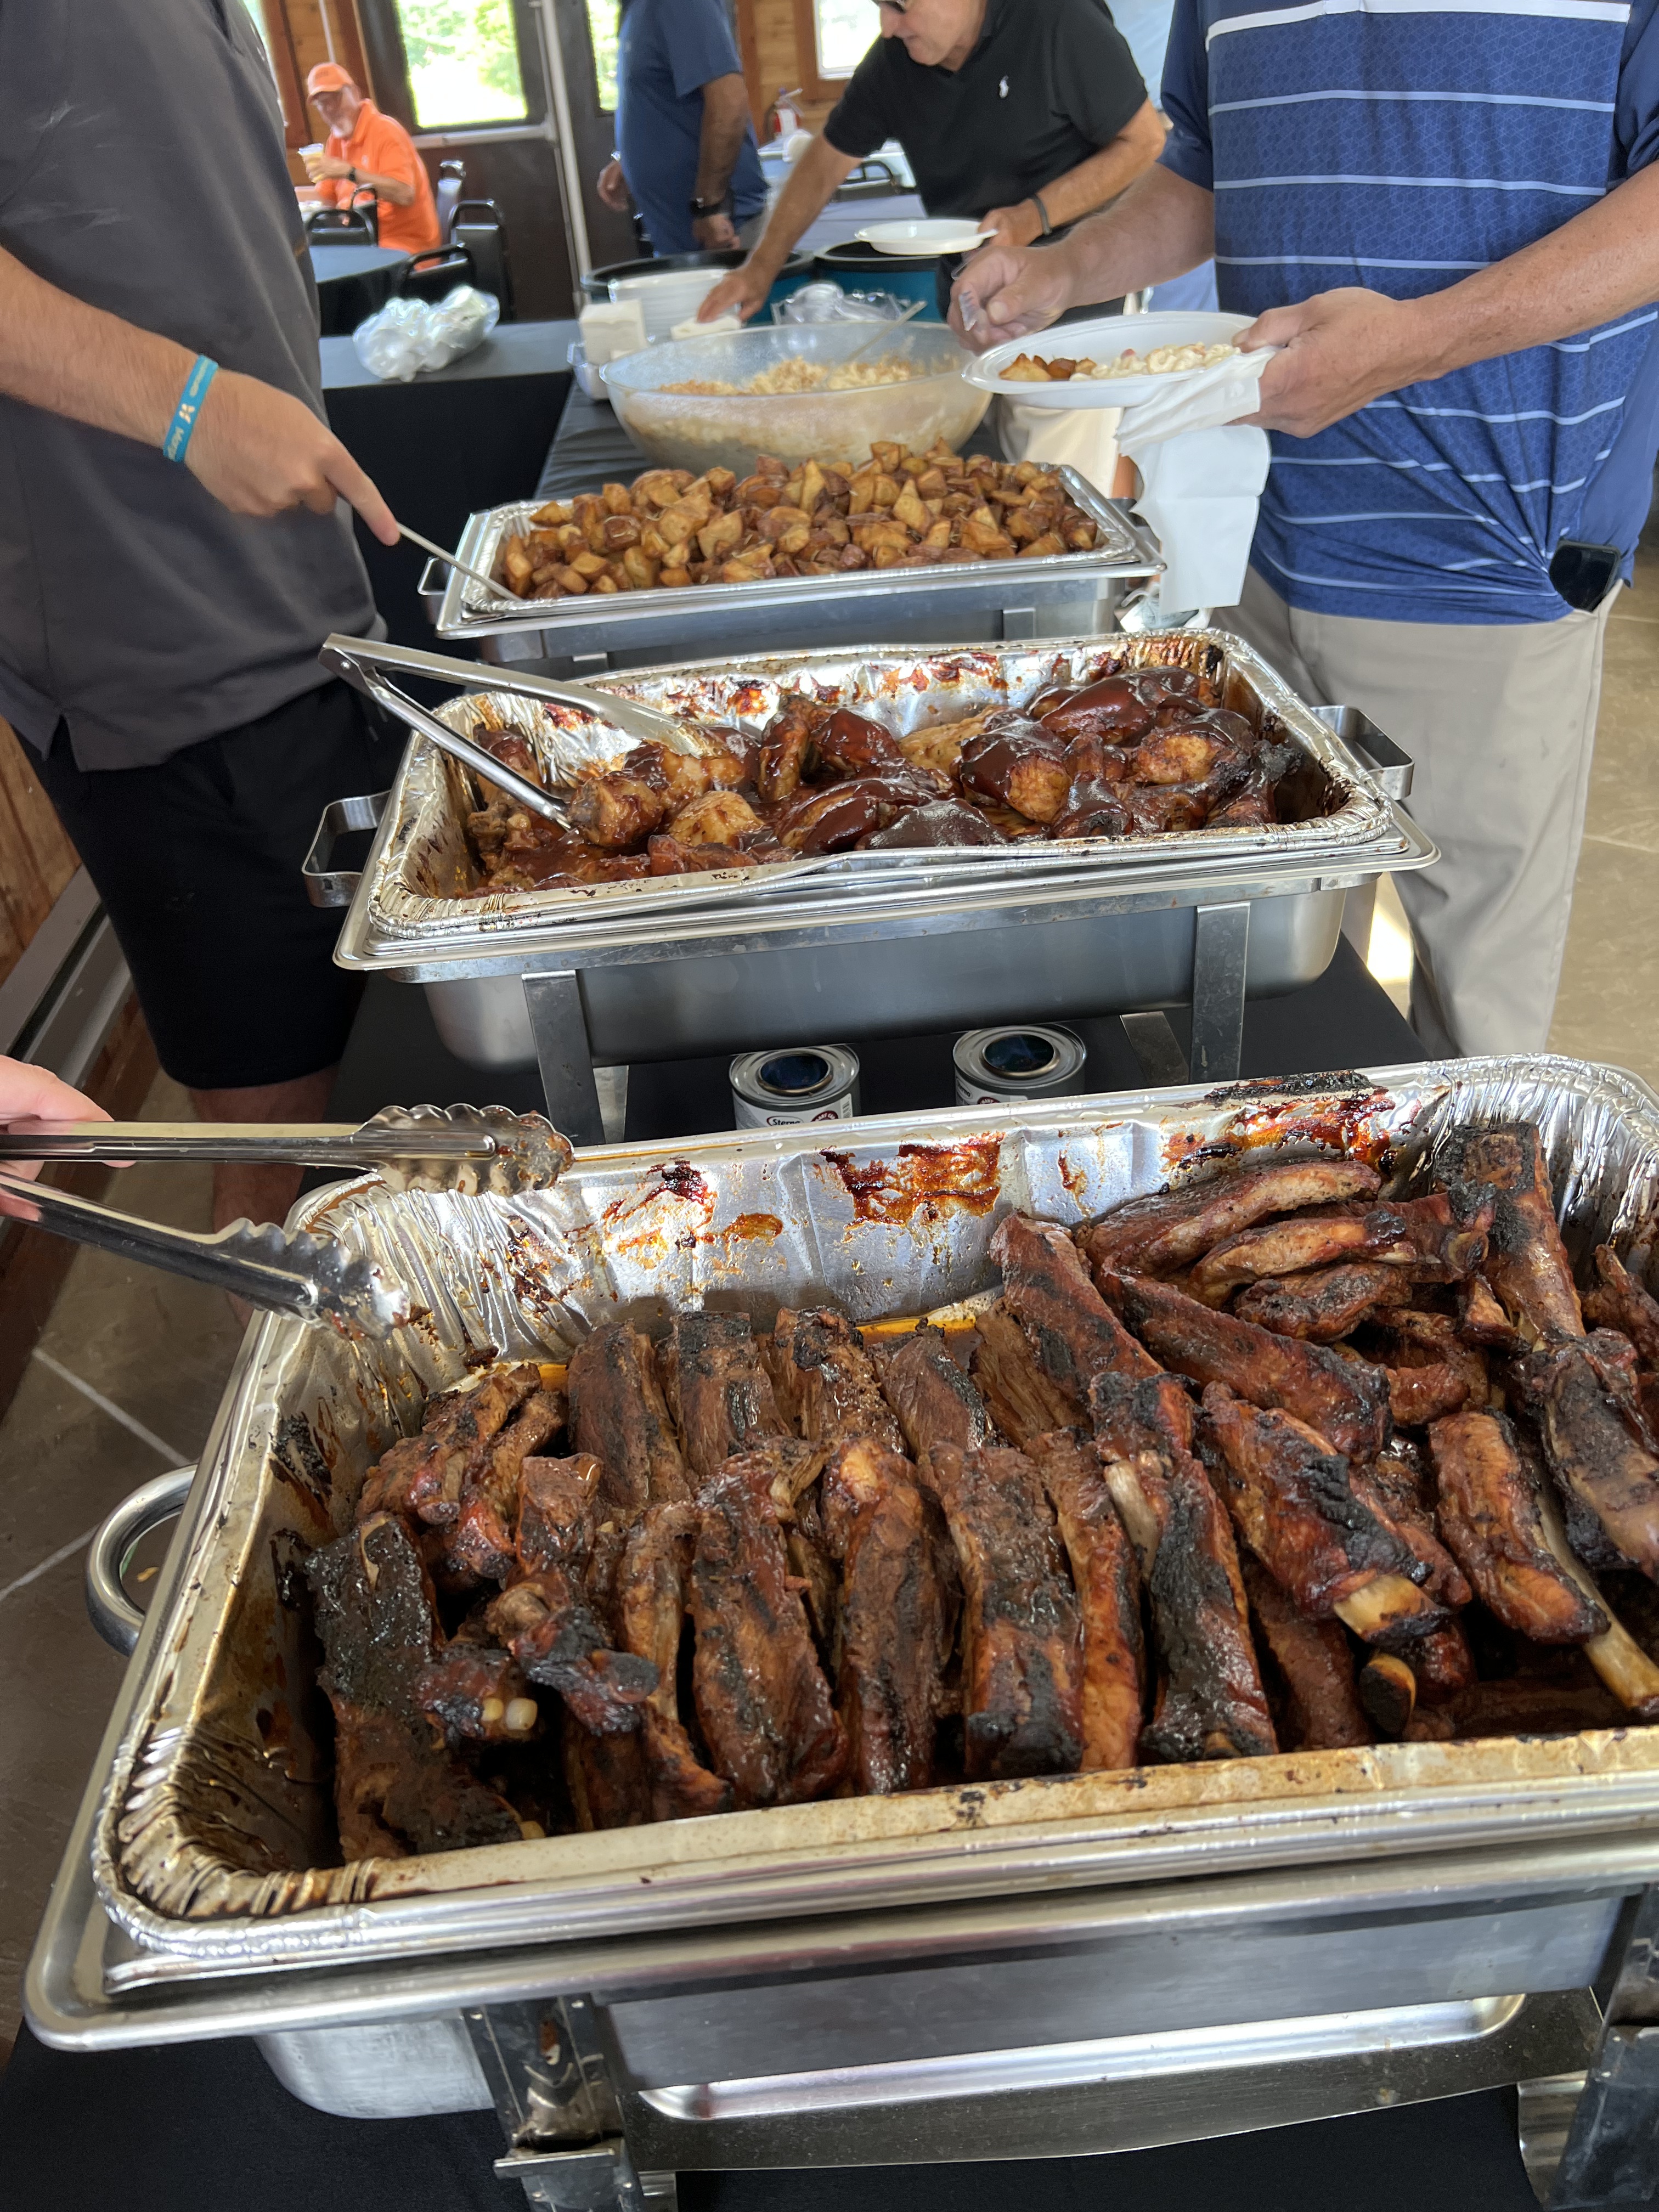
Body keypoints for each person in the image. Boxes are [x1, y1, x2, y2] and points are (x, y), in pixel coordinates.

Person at [950, 0, 1659, 1059]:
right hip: (1256, 536)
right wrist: (1067, 267)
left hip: (1484, 558)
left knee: (1474, 1023)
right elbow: (1204, 168)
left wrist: (1414, 341)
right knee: (1269, 984)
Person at [0, 0, 403, 1238]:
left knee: (375, 1089)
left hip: (301, 608)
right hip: (160, 648)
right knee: (288, 1150)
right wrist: (188, 405)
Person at [698, 0, 1164, 326]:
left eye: (900, 6)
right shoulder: (892, 63)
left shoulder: (1057, 20)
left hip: (1077, 303)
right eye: (879, 7)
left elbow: (1144, 142)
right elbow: (823, 164)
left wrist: (1032, 216)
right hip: (967, 303)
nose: (887, 27)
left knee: (1055, 439)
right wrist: (761, 267)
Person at [599, 0, 767, 256]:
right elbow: (658, 98)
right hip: (680, 239)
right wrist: (630, 159)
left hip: (721, 232)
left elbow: (729, 102)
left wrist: (708, 206)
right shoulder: (636, 8)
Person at [303, 60, 442, 254]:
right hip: (362, 241)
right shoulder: (336, 140)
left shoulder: (385, 131)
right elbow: (325, 197)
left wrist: (350, 173)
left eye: (336, 97)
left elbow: (405, 194)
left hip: (404, 248)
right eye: (322, 103)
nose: (331, 108)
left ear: (355, 93)